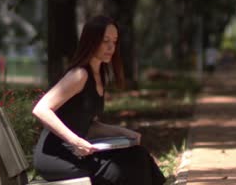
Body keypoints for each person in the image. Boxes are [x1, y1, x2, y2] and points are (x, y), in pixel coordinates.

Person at [32, 15, 165, 185]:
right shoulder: (79, 75)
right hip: (56, 156)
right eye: (105, 41)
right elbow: (41, 109)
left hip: (77, 151)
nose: (111, 47)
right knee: (126, 169)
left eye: (114, 41)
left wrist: (123, 132)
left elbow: (90, 125)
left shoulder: (99, 75)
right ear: (91, 41)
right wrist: (76, 141)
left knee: (137, 154)